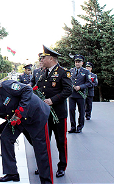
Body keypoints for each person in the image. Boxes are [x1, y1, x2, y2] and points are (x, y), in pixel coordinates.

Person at [0, 80, 53, 184]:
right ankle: (12, 173)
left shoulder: (5, 87)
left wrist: (20, 112)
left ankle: (46, 181)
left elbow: (27, 89)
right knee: (6, 137)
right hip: (18, 120)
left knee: (41, 150)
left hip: (36, 116)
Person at [36, 45, 72, 177]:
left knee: (61, 141)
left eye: (43, 57)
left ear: (51, 58)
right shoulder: (42, 72)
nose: (41, 59)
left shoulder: (63, 72)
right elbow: (38, 88)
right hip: (45, 113)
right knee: (44, 140)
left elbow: (68, 90)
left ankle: (62, 166)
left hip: (58, 113)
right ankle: (44, 166)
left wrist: (53, 100)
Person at [68, 54, 92, 133]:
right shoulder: (71, 71)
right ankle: (73, 126)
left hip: (80, 95)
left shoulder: (86, 71)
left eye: (79, 62)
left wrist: (80, 87)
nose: (77, 63)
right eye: (76, 62)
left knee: (81, 111)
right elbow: (68, 81)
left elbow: (89, 83)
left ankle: (80, 127)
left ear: (82, 63)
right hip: (72, 95)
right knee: (71, 110)